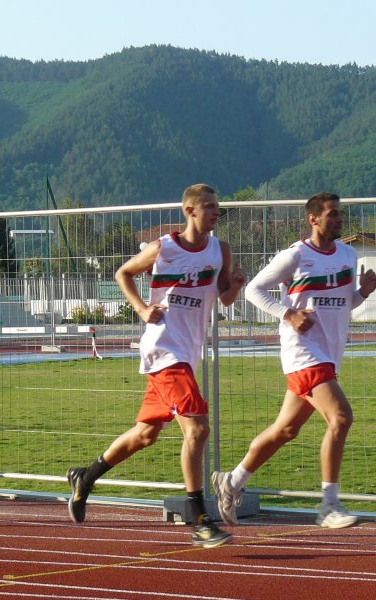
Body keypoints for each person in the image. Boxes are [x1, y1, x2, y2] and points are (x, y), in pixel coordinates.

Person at [66, 183, 245, 548]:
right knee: (197, 430)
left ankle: (86, 476)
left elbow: (224, 299)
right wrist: (143, 309)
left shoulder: (219, 250)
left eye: (217, 208)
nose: (215, 213)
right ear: (190, 211)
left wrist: (237, 286)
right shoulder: (163, 248)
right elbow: (122, 274)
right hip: (164, 349)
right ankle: (199, 519)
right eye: (209, 207)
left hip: (187, 354)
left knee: (146, 434)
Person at [212, 192, 376, 529]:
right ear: (312, 219)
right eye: (331, 214)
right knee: (341, 418)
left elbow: (344, 305)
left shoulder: (348, 254)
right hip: (303, 352)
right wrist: (288, 313)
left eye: (340, 215)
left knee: (286, 429)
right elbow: (254, 290)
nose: (338, 220)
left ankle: (231, 482)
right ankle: (329, 505)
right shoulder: (295, 255)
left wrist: (363, 292)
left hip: (329, 354)